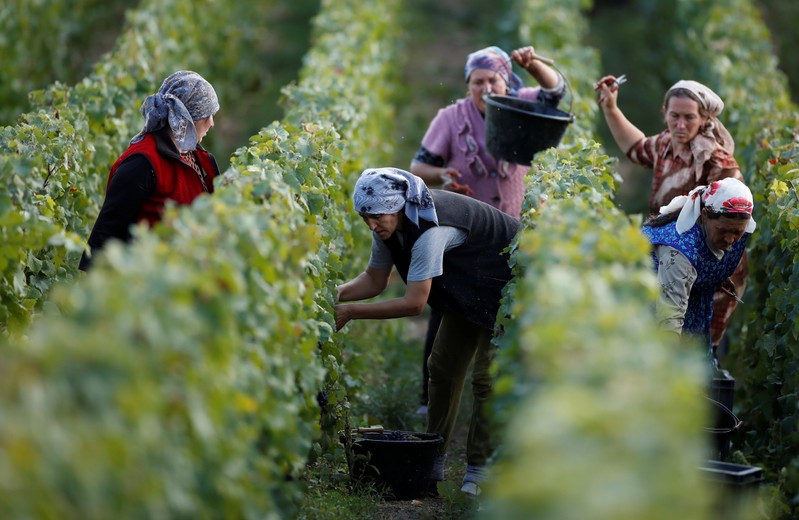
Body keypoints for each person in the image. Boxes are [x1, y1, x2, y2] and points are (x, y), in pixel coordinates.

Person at [335, 167, 519, 497]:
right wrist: (331, 294)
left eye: (378, 217)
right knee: (443, 368)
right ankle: (433, 457)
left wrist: (350, 312)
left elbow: (414, 303)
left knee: (486, 379)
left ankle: (479, 469)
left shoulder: (430, 231)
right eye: (366, 218)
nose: (372, 225)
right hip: (471, 286)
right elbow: (374, 280)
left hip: (511, 284)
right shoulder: (388, 227)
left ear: (399, 207)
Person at [410, 45, 564, 415]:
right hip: (464, 230)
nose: (485, 87)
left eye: (492, 79)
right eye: (477, 81)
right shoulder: (451, 118)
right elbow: (419, 167)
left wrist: (535, 65)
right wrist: (444, 176)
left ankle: (498, 393)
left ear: (506, 82)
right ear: (468, 85)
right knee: (446, 307)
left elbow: (555, 93)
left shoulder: (521, 104)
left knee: (506, 306)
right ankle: (428, 396)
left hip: (513, 224)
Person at [596, 77, 747, 360]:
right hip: (669, 254)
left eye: (689, 117)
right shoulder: (666, 144)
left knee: (695, 344)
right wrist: (611, 108)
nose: (680, 125)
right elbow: (638, 148)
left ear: (703, 119)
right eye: (674, 116)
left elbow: (732, 222)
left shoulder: (716, 161)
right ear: (664, 112)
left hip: (706, 260)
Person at [79, 70, 220, 271]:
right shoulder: (142, 163)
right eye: (207, 114)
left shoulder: (202, 160)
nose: (212, 123)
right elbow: (105, 235)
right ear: (189, 116)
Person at [641, 177, 756, 360]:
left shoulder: (736, 225)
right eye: (722, 231)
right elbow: (669, 319)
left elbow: (710, 258)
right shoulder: (679, 251)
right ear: (704, 216)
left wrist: (716, 276)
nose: (729, 239)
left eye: (736, 232)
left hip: (693, 309)